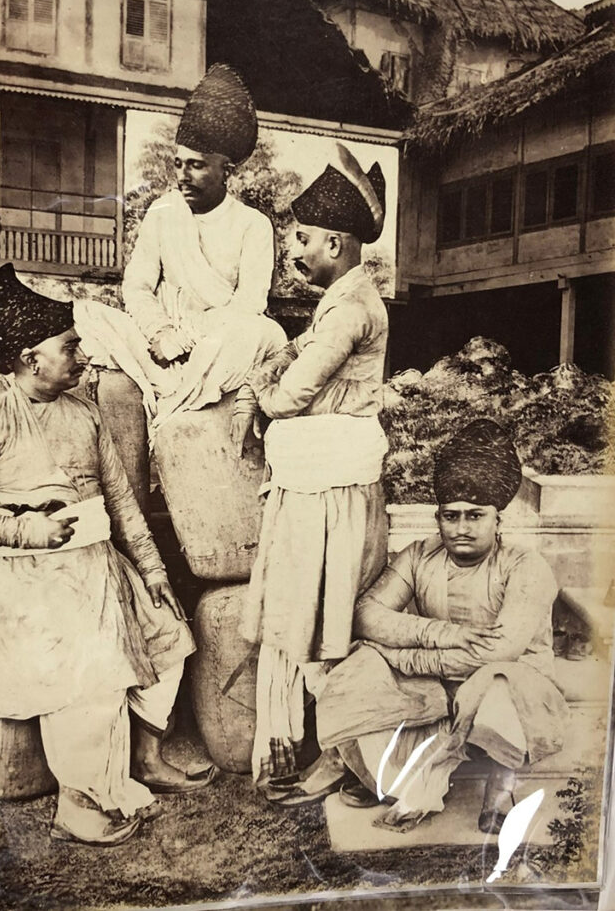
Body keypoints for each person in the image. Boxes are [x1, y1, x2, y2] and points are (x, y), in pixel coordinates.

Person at [0, 264, 216, 848]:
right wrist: (27, 533)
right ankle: (80, 804)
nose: (81, 356)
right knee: (88, 671)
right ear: (33, 358)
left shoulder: (85, 411)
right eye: (71, 346)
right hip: (24, 575)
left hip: (99, 563)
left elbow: (121, 502)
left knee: (169, 635)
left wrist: (153, 571)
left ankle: (146, 759)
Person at [291, 418, 569, 834]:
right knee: (359, 666)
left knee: (498, 682)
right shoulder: (420, 554)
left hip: (508, 688)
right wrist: (436, 635)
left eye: (475, 516)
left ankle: (501, 785)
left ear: (498, 519)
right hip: (436, 686)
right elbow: (367, 613)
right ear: (438, 517)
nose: (461, 529)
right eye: (450, 516)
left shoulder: (525, 566)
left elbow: (497, 651)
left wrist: (397, 653)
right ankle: (375, 773)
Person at [232, 143, 390, 789]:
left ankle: (338, 754)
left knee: (322, 620)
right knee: (307, 616)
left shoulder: (352, 308)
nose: (294, 253)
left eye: (302, 240)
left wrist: (261, 402)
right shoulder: (341, 302)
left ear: (336, 242)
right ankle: (296, 746)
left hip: (330, 490)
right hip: (321, 482)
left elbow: (300, 385)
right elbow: (301, 349)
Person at [75, 63, 286, 432]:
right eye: (178, 164)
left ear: (227, 171)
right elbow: (138, 286)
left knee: (261, 333)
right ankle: (173, 390)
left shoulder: (254, 225)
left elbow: (249, 304)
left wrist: (186, 339)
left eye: (197, 166)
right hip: (161, 344)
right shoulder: (163, 212)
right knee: (83, 314)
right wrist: (160, 333)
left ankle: (175, 405)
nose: (182, 176)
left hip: (217, 344)